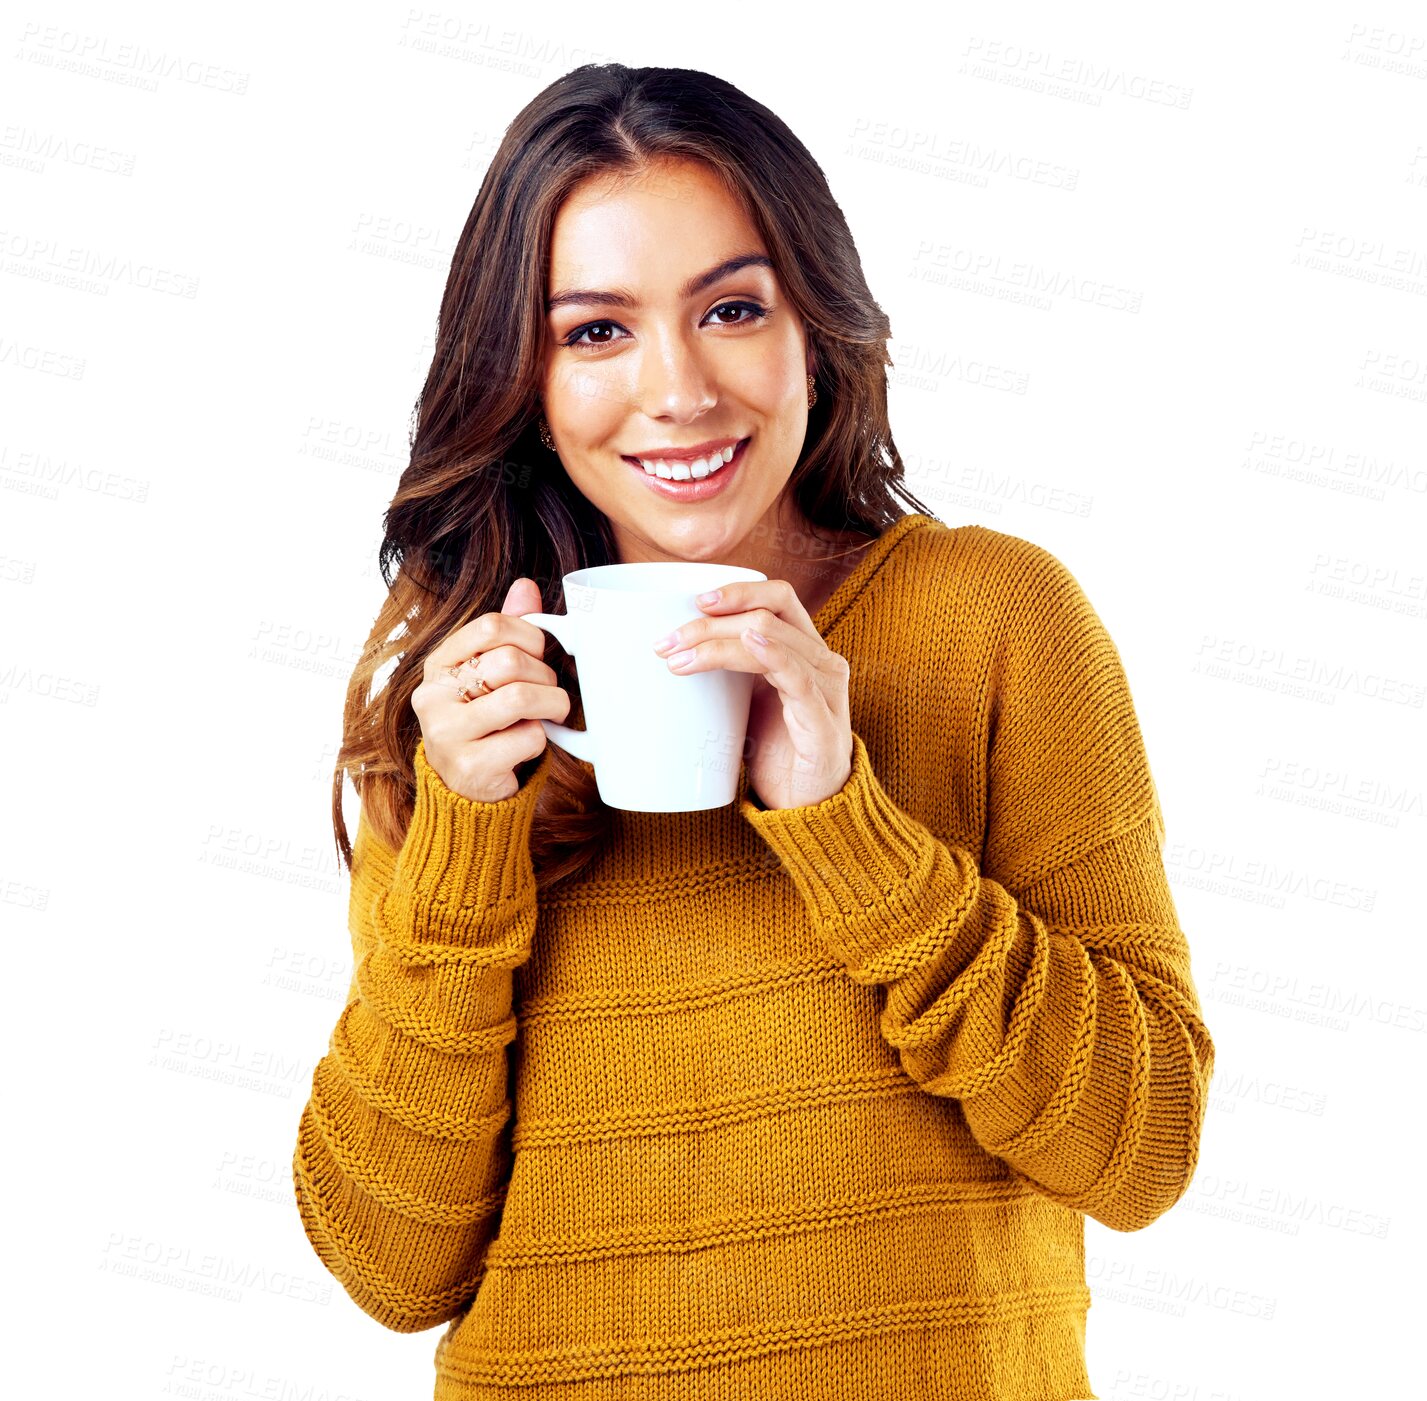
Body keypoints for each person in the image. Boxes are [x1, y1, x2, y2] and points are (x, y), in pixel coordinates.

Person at [291, 63, 1215, 1401]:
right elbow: (391, 1263)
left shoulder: (999, 618)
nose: (679, 391)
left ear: (813, 328)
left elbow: (1142, 1148)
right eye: (596, 332)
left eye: (731, 309)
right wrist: (460, 845)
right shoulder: (470, 703)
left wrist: (849, 820)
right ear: (523, 376)